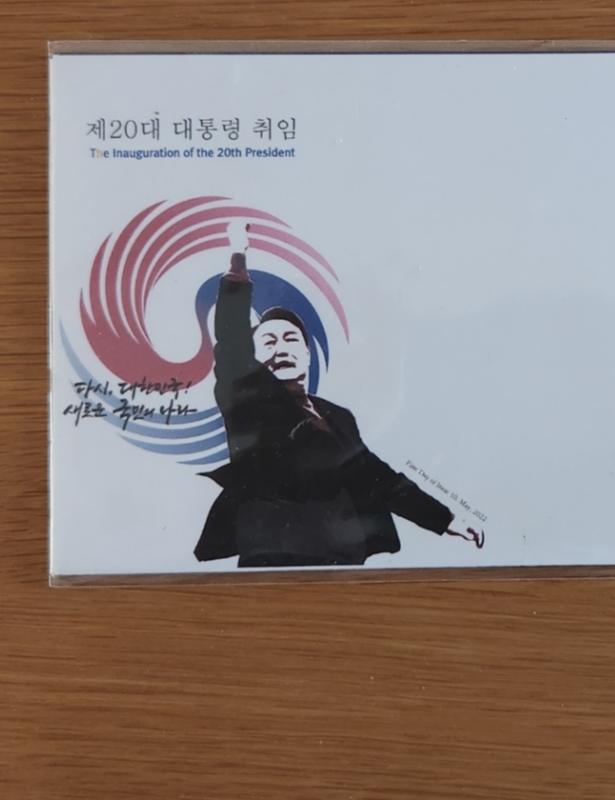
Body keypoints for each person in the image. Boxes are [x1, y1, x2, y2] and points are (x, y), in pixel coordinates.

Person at [194, 222, 482, 567]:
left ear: (307, 354)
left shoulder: (339, 417)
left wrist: (445, 519)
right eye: (268, 342)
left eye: (290, 339)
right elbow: (232, 341)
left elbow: (377, 478)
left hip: (342, 561)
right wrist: (238, 258)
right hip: (275, 559)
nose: (281, 348)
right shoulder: (247, 398)